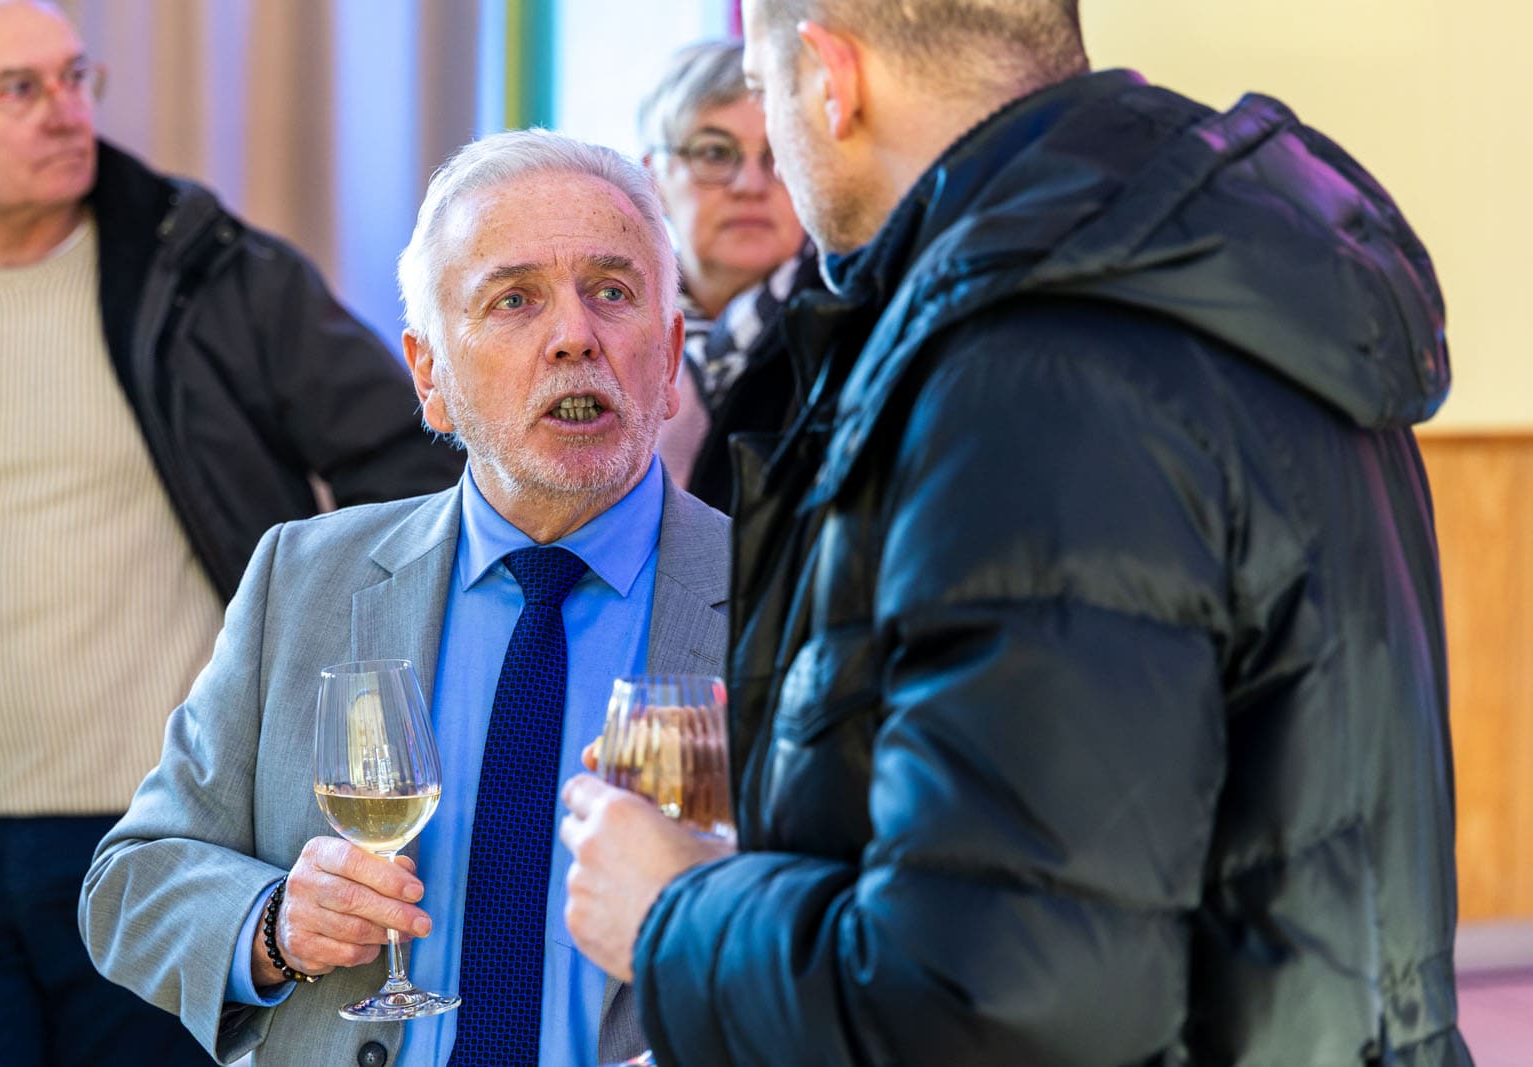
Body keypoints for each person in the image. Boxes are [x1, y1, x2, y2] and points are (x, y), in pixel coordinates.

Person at [560, 1, 1471, 1063]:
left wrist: (675, 914)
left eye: (764, 95)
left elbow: (1001, 995)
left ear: (829, 79)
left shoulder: (1035, 367)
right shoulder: (1203, 278)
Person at [80, 127, 729, 1067]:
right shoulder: (304, 577)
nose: (574, 336)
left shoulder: (785, 592)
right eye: (514, 299)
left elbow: (889, 935)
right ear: (429, 377)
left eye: (613, 292)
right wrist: (272, 926)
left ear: (668, 357)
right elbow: (132, 882)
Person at [0, 1, 463, 1063]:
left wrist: (323, 638)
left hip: (169, 841)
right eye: (19, 89)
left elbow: (420, 446)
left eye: (78, 77)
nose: (65, 111)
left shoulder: (207, 266)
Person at [639, 39, 816, 511]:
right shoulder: (604, 329)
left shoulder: (851, 324)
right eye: (715, 153)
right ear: (652, 180)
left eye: (780, 154)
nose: (751, 185)